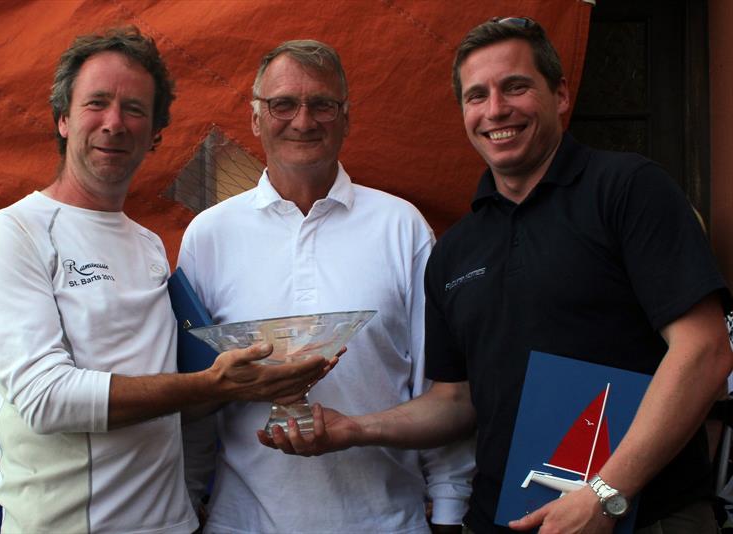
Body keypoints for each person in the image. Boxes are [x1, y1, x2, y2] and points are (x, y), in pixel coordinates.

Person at [260, 18, 733, 534]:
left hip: (644, 516)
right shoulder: (457, 250)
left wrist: (604, 494)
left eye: (516, 87)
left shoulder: (627, 190)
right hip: (505, 518)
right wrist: (356, 429)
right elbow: (455, 402)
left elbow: (704, 351)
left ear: (560, 95)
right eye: (476, 96)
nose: (496, 110)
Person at [0, 26, 329, 533]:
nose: (115, 123)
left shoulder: (150, 245)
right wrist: (206, 384)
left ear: (155, 133)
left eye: (135, 109)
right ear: (64, 118)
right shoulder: (12, 234)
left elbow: (185, 398)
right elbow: (45, 399)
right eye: (97, 103)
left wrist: (258, 377)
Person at [178, 39, 475, 533]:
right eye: (282, 104)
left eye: (322, 104)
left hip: (386, 523)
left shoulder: (401, 227)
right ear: (256, 119)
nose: (303, 120)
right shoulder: (208, 236)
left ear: (346, 118)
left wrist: (448, 509)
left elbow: (439, 389)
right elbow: (196, 404)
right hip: (243, 523)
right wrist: (186, 504)